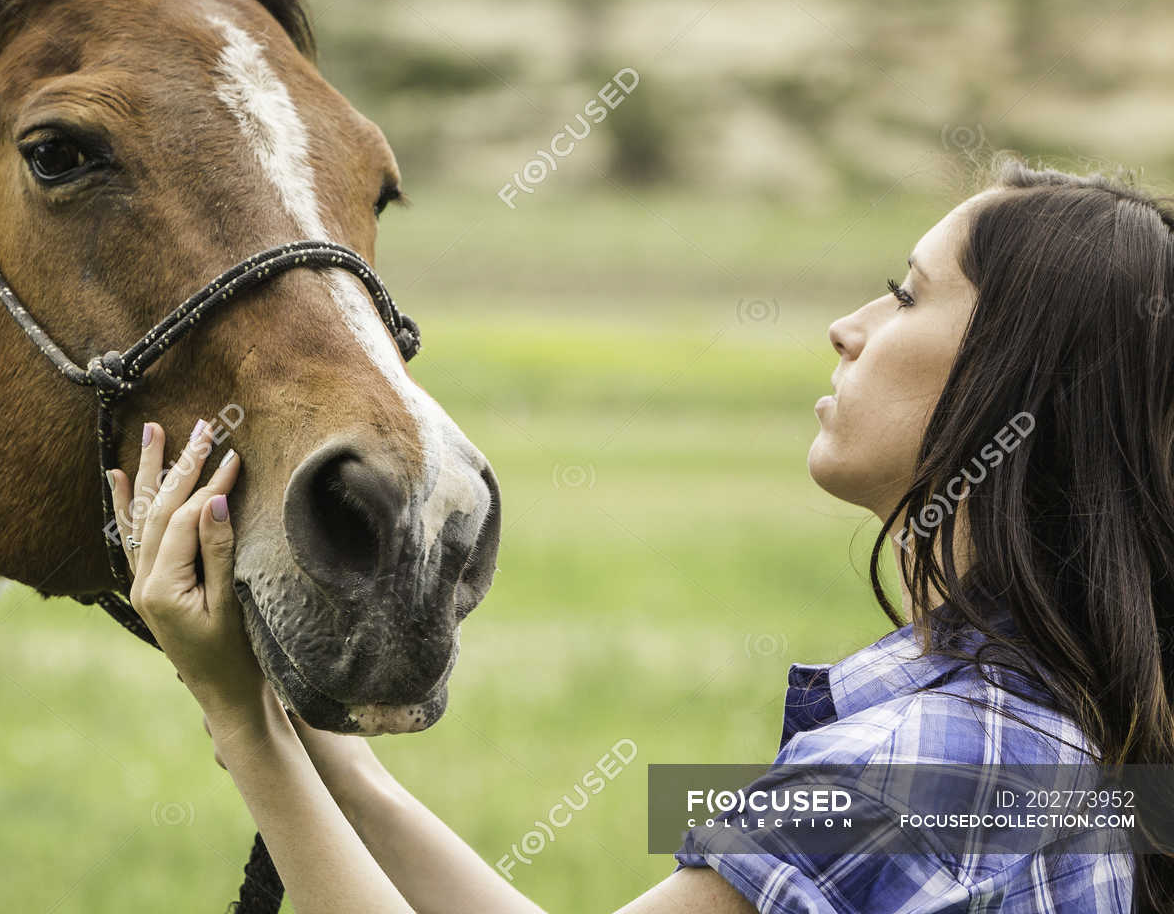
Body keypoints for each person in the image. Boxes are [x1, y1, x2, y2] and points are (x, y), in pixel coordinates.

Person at [110, 160, 1170, 913]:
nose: (849, 325)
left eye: (906, 294)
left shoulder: (923, 767)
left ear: (1015, 382)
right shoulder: (1048, 732)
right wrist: (332, 761)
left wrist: (240, 725)